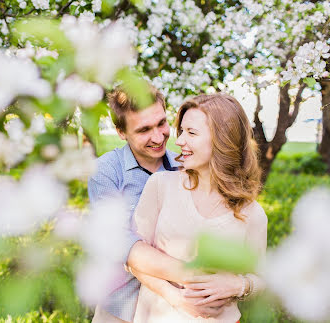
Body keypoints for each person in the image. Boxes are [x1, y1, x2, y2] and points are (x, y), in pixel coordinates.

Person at [88, 88, 230, 323]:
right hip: (122, 308)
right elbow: (122, 244)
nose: (157, 137)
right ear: (121, 132)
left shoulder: (187, 165)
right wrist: (190, 281)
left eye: (161, 123)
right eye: (144, 130)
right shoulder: (106, 172)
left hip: (175, 313)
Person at [130, 93, 268, 322]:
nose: (180, 141)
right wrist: (174, 297)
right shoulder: (161, 185)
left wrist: (239, 284)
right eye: (181, 131)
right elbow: (132, 258)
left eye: (191, 133)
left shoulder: (252, 213)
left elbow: (261, 278)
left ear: (223, 140)